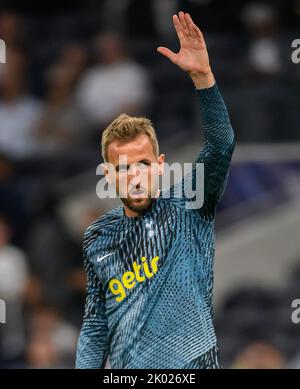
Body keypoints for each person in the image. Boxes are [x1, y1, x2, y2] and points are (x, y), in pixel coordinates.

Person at [76, 12, 235, 369]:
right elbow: (95, 325)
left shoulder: (189, 203)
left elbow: (220, 146)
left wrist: (203, 78)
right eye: (123, 168)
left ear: (160, 165)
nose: (134, 176)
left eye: (143, 164)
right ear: (108, 175)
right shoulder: (98, 237)